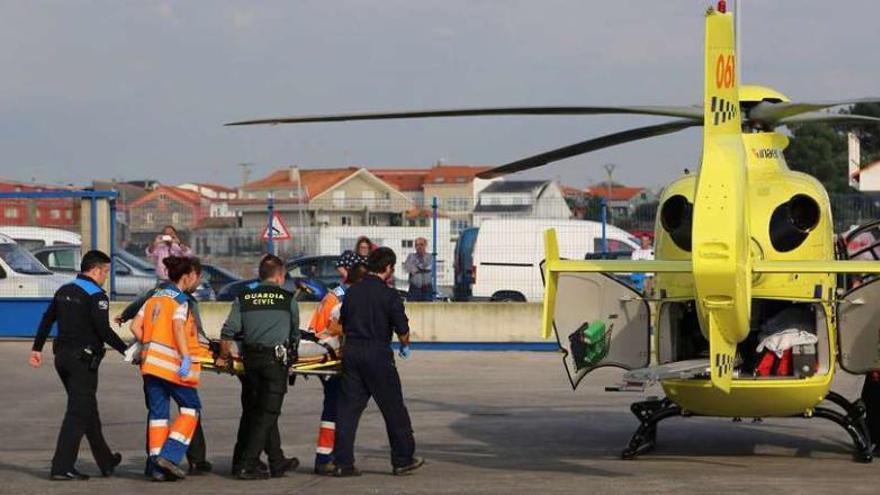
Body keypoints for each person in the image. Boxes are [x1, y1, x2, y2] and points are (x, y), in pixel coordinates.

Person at [29, 250, 128, 481]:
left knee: (86, 409)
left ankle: (106, 461)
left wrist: (36, 348)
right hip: (82, 362)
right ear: (96, 270)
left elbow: (47, 318)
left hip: (62, 359)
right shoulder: (97, 295)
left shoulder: (65, 289)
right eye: (106, 272)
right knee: (77, 413)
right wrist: (129, 351)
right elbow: (103, 331)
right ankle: (62, 467)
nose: (106, 276)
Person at [333, 247, 424, 477]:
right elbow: (402, 329)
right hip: (377, 354)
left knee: (348, 411)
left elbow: (342, 322)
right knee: (393, 409)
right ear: (388, 269)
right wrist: (404, 345)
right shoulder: (390, 295)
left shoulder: (352, 292)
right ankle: (403, 459)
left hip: (352, 352)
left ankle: (343, 462)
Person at [115, 281, 213, 475]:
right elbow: (185, 330)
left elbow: (136, 321)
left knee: (157, 416)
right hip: (174, 365)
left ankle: (155, 467)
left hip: (151, 364)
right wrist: (187, 356)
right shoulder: (183, 300)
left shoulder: (155, 294)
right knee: (190, 410)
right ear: (187, 276)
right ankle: (177, 457)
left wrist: (147, 342)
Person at [216, 254, 300, 480]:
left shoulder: (244, 297)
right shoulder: (287, 298)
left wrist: (223, 356)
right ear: (280, 276)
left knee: (261, 410)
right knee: (268, 413)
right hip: (275, 363)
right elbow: (294, 335)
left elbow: (228, 331)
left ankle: (277, 461)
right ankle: (247, 464)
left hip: (251, 362)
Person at [305, 262, 368, 475]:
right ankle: (326, 458)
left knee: (334, 408)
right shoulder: (343, 298)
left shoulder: (335, 294)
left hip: (325, 355)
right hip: (332, 359)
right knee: (336, 409)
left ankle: (327, 455)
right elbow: (331, 328)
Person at [404, 237, 434, 302]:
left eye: (421, 244)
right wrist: (418, 268)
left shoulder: (430, 256)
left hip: (427, 289)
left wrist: (415, 266)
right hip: (414, 289)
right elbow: (407, 268)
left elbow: (427, 267)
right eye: (417, 245)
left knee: (427, 308)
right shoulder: (411, 256)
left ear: (426, 245)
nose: (419, 247)